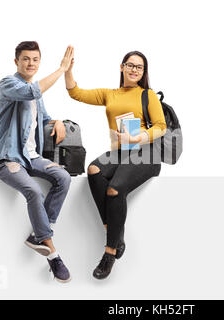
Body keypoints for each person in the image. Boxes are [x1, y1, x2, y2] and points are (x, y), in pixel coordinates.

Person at [65, 48, 167, 279]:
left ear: (143, 72)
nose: (134, 70)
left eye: (139, 67)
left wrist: (136, 138)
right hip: (122, 152)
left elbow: (161, 127)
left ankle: (110, 252)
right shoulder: (110, 94)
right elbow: (76, 93)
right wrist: (67, 71)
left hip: (145, 152)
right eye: (130, 65)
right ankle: (113, 230)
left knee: (114, 189)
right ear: (121, 67)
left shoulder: (147, 95)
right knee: (94, 170)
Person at [0, 41, 73, 283]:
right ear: (16, 61)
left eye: (35, 60)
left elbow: (43, 117)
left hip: (30, 158)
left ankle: (38, 235)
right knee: (34, 191)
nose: (31, 64)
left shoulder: (36, 92)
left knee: (63, 177)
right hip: (8, 158)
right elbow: (31, 92)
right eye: (26, 59)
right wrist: (61, 69)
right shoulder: (9, 84)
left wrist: (56, 121)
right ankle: (53, 254)